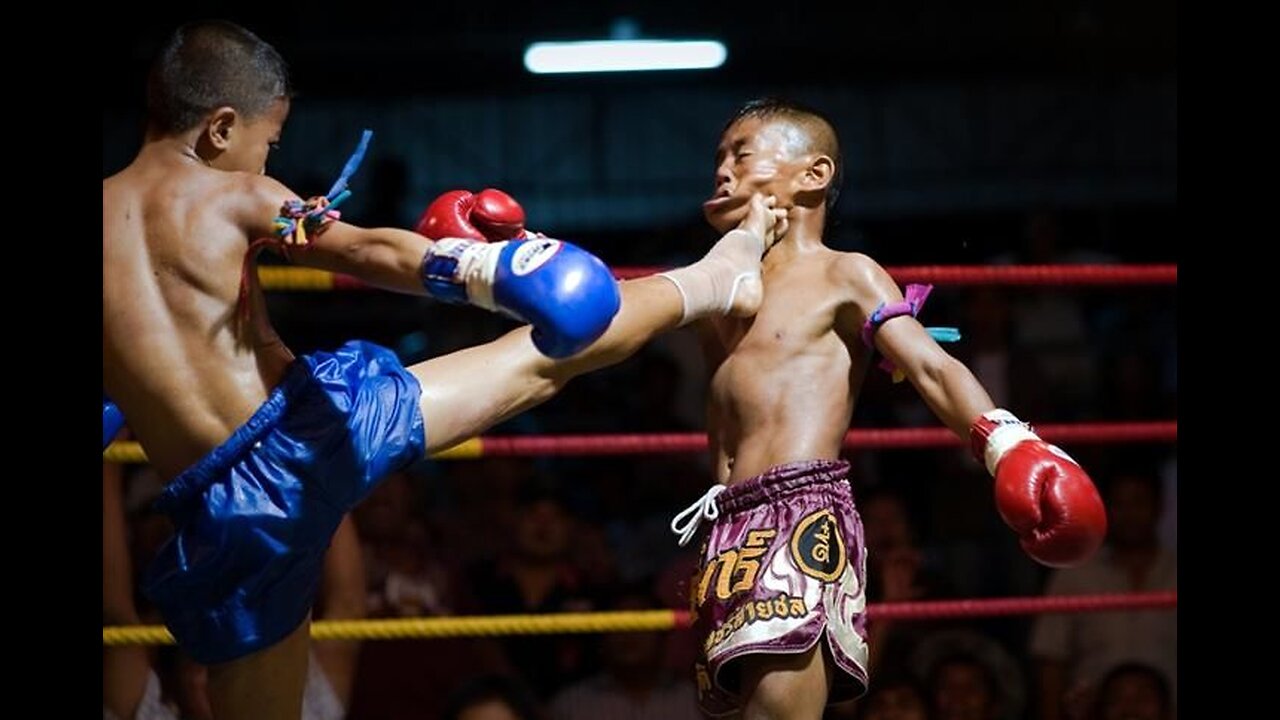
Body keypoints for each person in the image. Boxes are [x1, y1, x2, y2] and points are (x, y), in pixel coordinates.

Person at [102, 21, 785, 719]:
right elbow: (363, 247)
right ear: (220, 127)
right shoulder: (234, 195)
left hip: (220, 520)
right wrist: (482, 268)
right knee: (547, 358)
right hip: (308, 442)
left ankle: (715, 280)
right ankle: (716, 279)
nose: (263, 160)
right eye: (266, 143)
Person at [668, 98, 1108, 719]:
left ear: (813, 175)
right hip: (726, 530)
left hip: (798, 510)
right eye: (717, 158)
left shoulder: (846, 274)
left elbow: (931, 364)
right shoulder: (719, 284)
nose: (722, 170)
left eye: (741, 153)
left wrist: (1006, 444)